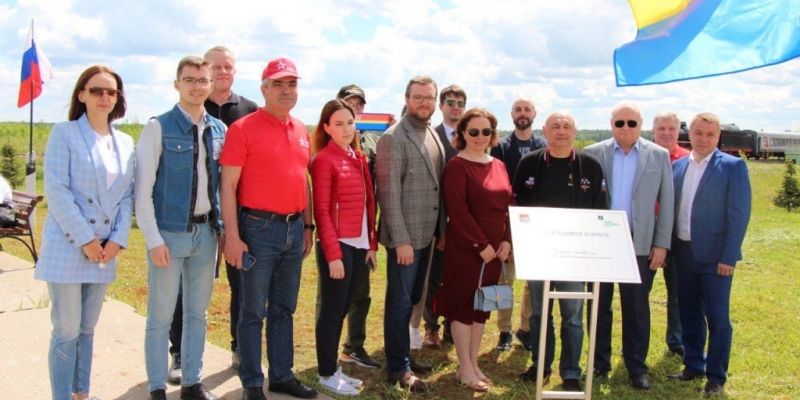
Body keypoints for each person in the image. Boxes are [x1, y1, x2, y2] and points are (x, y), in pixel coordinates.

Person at [34, 65, 134, 400]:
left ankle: (81, 393)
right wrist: (87, 240)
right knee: (66, 329)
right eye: (96, 90)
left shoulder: (125, 141)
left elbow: (126, 196)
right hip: (70, 246)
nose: (104, 97)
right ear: (82, 95)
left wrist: (118, 240)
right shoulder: (64, 133)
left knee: (87, 329)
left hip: (106, 251)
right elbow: (58, 191)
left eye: (111, 91)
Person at [220, 57, 317, 400]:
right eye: (278, 84)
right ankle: (250, 381)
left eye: (291, 84)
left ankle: (281, 375)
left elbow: (302, 179)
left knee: (284, 308)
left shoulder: (302, 129)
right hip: (257, 229)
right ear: (263, 90)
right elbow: (227, 187)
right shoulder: (243, 128)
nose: (286, 90)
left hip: (293, 231)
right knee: (252, 310)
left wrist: (307, 225)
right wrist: (231, 236)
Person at [165, 45, 259, 384]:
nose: (222, 72)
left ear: (235, 71)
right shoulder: (190, 108)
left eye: (228, 67)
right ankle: (179, 353)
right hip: (195, 220)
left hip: (239, 218)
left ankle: (239, 348)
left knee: (242, 286)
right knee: (183, 288)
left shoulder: (250, 111)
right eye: (215, 67)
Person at [136, 56, 225, 400]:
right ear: (177, 84)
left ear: (210, 85)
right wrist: (153, 239)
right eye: (190, 80)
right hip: (169, 236)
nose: (197, 86)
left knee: (197, 314)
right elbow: (142, 190)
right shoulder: (158, 127)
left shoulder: (219, 130)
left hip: (206, 236)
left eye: (203, 80)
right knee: (159, 316)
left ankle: (191, 382)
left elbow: (220, 187)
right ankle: (157, 387)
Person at [514, 112, 608, 392]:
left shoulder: (590, 165)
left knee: (572, 316)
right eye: (555, 126)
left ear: (575, 131)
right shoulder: (530, 162)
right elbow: (517, 203)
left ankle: (571, 373)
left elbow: (599, 210)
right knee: (539, 313)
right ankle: (540, 365)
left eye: (567, 126)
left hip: (575, 256)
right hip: (538, 252)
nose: (561, 131)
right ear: (545, 131)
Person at [584, 101, 674, 391]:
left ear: (641, 125)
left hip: (640, 246)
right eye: (619, 123)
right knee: (599, 306)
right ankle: (599, 363)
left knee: (636, 308)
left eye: (631, 123)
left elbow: (668, 204)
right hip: (602, 245)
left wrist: (661, 244)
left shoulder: (658, 156)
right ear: (611, 124)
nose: (625, 128)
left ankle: (636, 366)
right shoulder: (593, 153)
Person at [667, 113, 752, 396]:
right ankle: (693, 364)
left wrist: (729, 256)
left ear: (718, 138)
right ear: (689, 135)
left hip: (717, 258)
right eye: (698, 133)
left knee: (718, 318)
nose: (703, 139)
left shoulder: (732, 167)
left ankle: (716, 376)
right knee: (689, 313)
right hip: (684, 253)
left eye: (710, 134)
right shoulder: (678, 167)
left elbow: (739, 215)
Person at [432, 108, 512, 392]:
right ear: (462, 133)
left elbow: (507, 207)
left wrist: (506, 241)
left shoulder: (499, 165)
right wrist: (481, 245)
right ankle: (463, 368)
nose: (480, 137)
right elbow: (459, 210)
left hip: (495, 252)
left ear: (493, 134)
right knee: (464, 307)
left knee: (482, 308)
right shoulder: (457, 166)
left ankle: (473, 363)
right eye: (474, 131)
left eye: (486, 131)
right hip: (468, 249)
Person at [375, 75, 446, 392]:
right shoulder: (393, 138)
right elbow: (387, 195)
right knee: (400, 303)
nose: (424, 103)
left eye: (429, 98)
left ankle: (403, 355)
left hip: (427, 236)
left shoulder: (430, 131)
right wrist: (401, 240)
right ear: (406, 99)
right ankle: (396, 367)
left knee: (414, 298)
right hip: (405, 240)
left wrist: (439, 231)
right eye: (418, 97)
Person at [310, 99, 378, 396]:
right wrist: (333, 255)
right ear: (326, 127)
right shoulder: (324, 159)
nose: (346, 128)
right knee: (332, 312)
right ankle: (326, 373)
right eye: (338, 123)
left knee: (343, 309)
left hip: (358, 245)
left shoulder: (358, 156)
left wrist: (371, 245)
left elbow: (368, 204)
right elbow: (321, 211)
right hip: (338, 246)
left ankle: (334, 368)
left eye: (350, 122)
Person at [489, 98, 546, 351]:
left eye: (527, 110)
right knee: (502, 280)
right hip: (507, 222)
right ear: (511, 114)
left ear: (534, 114)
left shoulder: (543, 145)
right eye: (518, 110)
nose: (523, 114)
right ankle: (503, 331)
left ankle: (526, 328)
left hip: (536, 223)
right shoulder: (501, 147)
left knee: (534, 279)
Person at [415, 84, 466, 350]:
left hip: (465, 223)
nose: (455, 107)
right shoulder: (430, 136)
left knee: (458, 278)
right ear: (441, 106)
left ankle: (452, 328)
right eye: (450, 102)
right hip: (437, 221)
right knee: (434, 279)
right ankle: (431, 328)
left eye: (460, 103)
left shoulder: (472, 135)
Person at [335, 84, 382, 369]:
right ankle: (326, 350)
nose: (356, 107)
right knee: (333, 295)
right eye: (349, 103)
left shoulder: (374, 140)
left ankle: (354, 346)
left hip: (365, 227)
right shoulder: (329, 139)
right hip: (339, 230)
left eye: (359, 104)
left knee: (361, 293)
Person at [652, 111, 691, 357]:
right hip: (646, 234)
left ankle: (677, 341)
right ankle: (636, 338)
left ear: (678, 132)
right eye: (661, 128)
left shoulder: (688, 160)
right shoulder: (643, 156)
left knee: (678, 293)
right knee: (637, 296)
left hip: (677, 236)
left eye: (671, 129)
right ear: (653, 131)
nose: (666, 133)